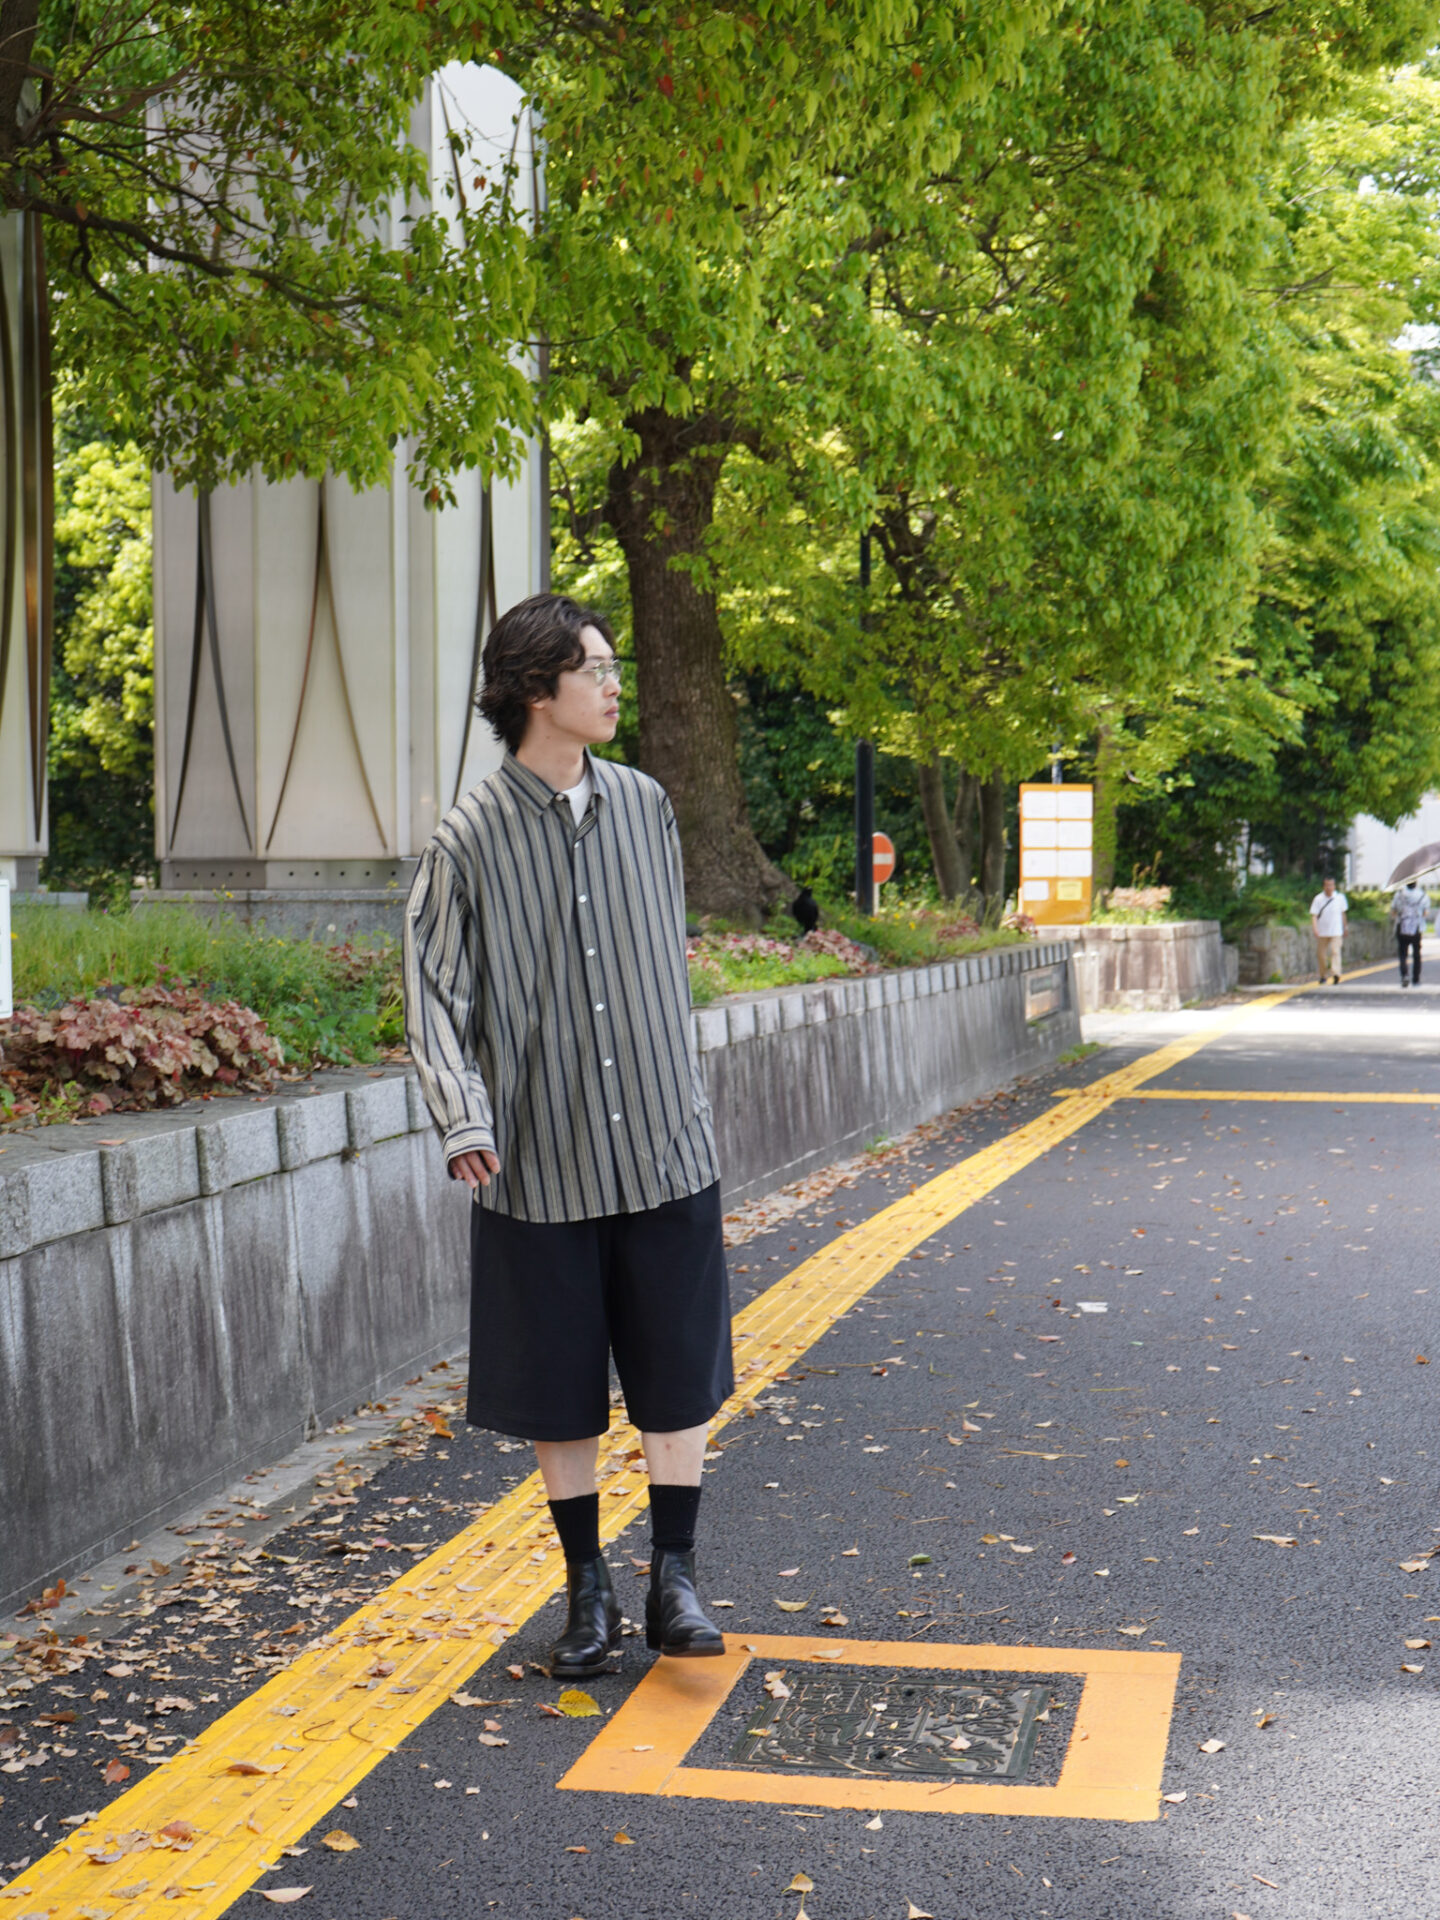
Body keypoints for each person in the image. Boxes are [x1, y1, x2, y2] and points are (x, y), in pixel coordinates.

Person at [403, 593, 733, 1680]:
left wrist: (684, 1092)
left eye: (612, 663)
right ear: (537, 690)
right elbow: (432, 994)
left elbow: (664, 961)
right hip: (538, 1161)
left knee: (677, 1374)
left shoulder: (646, 805)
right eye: (594, 667)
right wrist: (462, 1116)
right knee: (560, 1390)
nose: (612, 682)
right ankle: (586, 1590)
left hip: (664, 1147)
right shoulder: (467, 839)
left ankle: (675, 1580)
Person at [1390, 877, 1430, 988]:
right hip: (1416, 928)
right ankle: (1416, 979)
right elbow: (1425, 913)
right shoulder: (1422, 895)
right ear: (1416, 883)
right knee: (1417, 954)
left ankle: (1404, 975)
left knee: (1403, 953)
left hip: (1402, 927)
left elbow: (1393, 911)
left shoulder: (1399, 895)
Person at [1308, 876, 1348, 985]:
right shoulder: (1318, 899)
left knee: (1335, 952)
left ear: (1334, 886)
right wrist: (1315, 928)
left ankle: (1336, 973)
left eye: (1331, 885)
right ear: (1324, 886)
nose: (1329, 887)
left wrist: (1345, 927)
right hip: (1322, 932)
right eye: (1327, 885)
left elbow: (1343, 914)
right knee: (1321, 955)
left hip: (1336, 931)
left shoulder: (1340, 898)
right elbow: (1314, 915)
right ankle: (1323, 975)